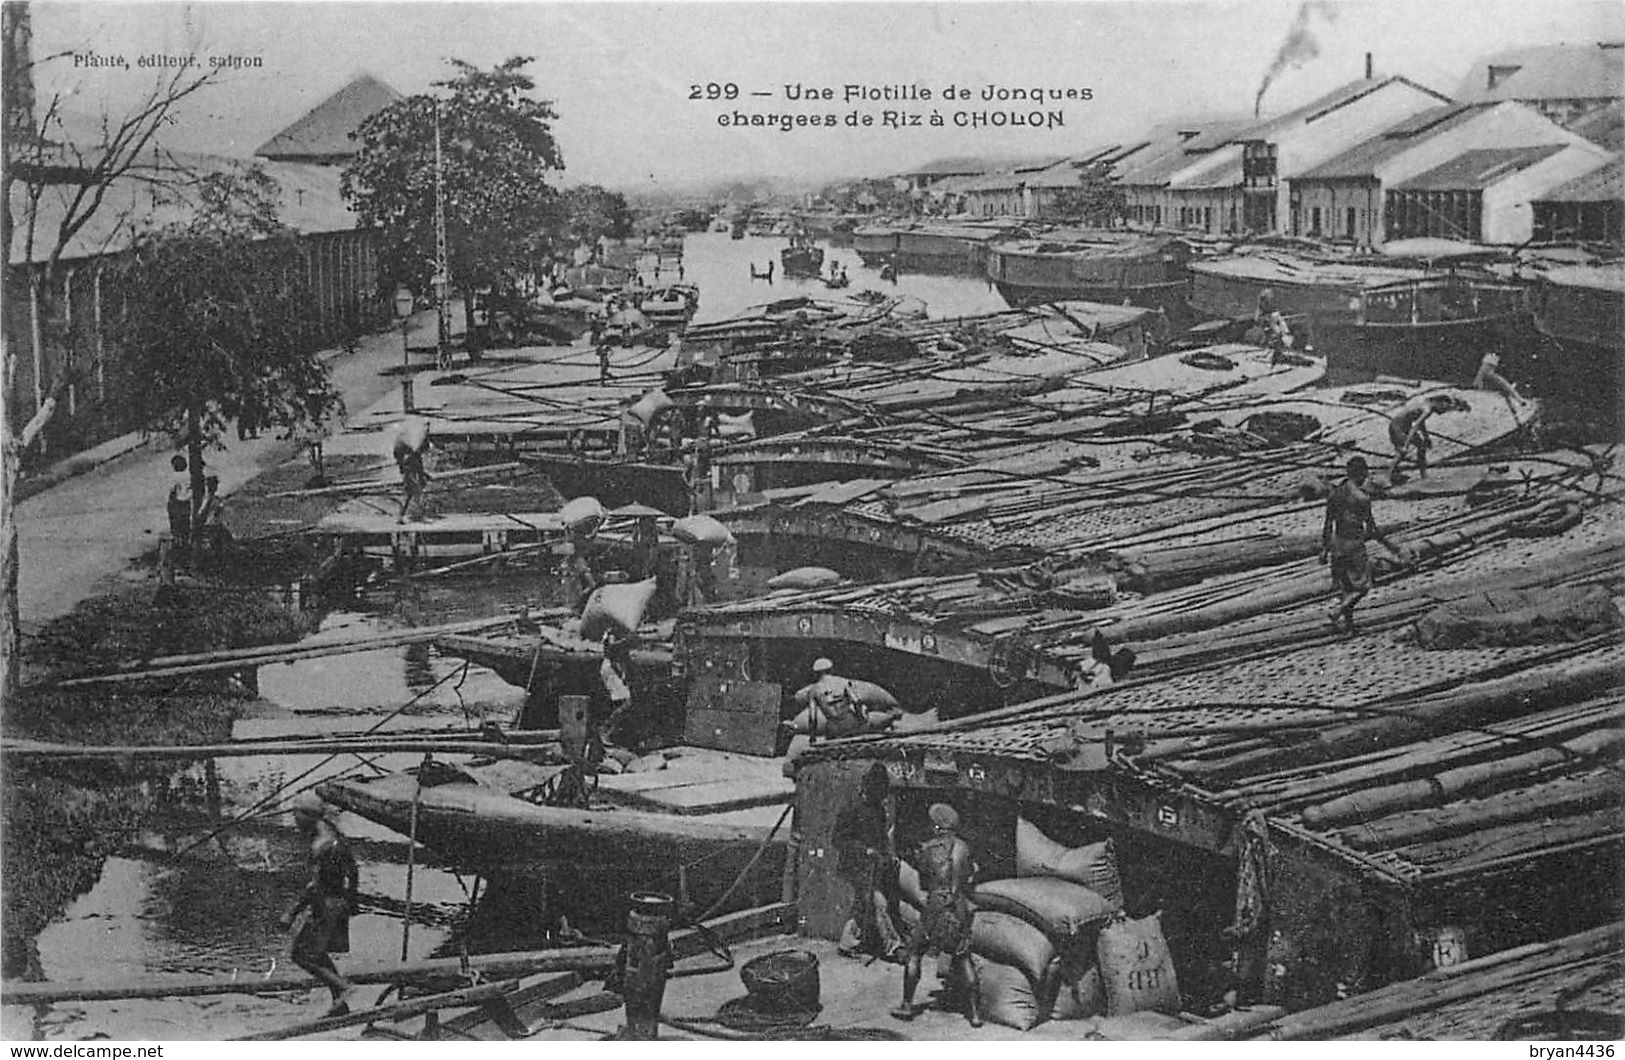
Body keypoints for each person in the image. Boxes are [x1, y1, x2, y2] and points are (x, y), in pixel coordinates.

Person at [893, 802, 980, 1027]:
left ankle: (906, 1005)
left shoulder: (928, 849)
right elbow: (969, 877)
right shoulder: (964, 847)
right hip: (958, 906)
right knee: (963, 957)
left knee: (914, 953)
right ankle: (975, 1014)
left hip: (934, 906)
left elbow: (922, 883)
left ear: (938, 826)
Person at [284, 792, 359, 1017]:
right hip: (339, 903)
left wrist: (291, 912)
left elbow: (313, 886)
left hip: (326, 906)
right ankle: (340, 1003)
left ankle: (345, 988)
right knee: (318, 953)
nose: (295, 822)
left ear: (308, 816)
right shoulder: (334, 835)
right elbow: (353, 870)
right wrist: (352, 900)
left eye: (297, 817)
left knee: (301, 954)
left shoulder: (320, 845)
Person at [1320, 456, 1407, 634]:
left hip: (1337, 545)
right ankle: (1337, 612)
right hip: (1354, 546)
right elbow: (1373, 530)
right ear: (1361, 474)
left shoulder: (1334, 494)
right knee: (1363, 586)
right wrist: (1392, 547)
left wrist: (1324, 549)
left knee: (1346, 588)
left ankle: (1349, 626)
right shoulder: (1362, 498)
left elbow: (1328, 524)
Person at [833, 763, 904, 963]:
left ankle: (847, 944)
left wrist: (888, 854)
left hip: (874, 865)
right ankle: (893, 947)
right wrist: (864, 850)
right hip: (855, 866)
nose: (883, 795)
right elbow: (838, 839)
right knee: (879, 903)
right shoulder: (851, 809)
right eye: (880, 790)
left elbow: (881, 837)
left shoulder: (878, 810)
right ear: (870, 787)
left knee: (863, 906)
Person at [1388, 394, 1451, 484]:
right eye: (1444, 408)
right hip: (1398, 426)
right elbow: (1416, 425)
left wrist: (1426, 437)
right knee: (1401, 452)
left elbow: (1420, 423)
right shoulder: (1427, 409)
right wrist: (1406, 444)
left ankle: (1423, 475)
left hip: (1402, 425)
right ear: (1439, 403)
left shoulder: (1426, 403)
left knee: (1421, 447)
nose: (1444, 411)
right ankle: (1388, 477)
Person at [806, 657, 867, 739]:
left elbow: (812, 718)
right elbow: (856, 701)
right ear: (831, 669)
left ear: (816, 673)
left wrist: (812, 736)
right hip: (850, 722)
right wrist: (861, 719)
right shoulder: (843, 682)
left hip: (833, 727)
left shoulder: (813, 691)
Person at [598, 631, 635, 749]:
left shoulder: (612, 633)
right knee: (626, 702)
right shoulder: (611, 634)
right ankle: (606, 728)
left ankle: (611, 731)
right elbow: (611, 650)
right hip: (611, 668)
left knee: (622, 702)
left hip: (612, 667)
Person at [393, 416, 432, 524]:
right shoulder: (415, 440)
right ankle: (422, 516)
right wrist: (421, 473)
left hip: (409, 468)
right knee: (418, 492)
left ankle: (400, 516)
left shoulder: (414, 440)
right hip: (409, 470)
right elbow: (414, 459)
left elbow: (417, 460)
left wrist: (423, 473)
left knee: (409, 494)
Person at [166, 454, 194, 561]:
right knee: (185, 524)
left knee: (176, 526)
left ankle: (178, 547)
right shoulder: (188, 476)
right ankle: (186, 546)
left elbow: (172, 491)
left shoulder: (175, 477)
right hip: (186, 502)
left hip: (177, 503)